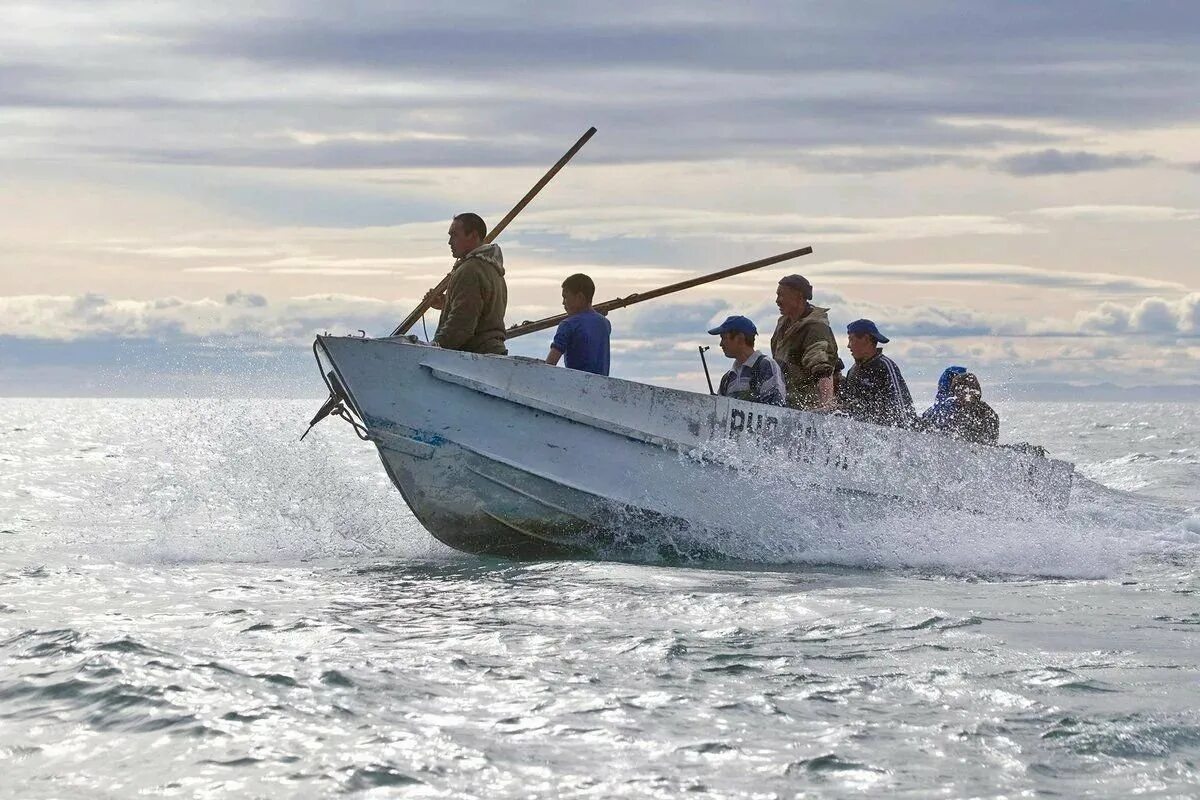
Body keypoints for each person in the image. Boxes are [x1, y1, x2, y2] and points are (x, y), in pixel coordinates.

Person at [430, 213, 508, 355]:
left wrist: (434, 349)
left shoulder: (470, 270)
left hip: (474, 357)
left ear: (472, 235)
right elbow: (481, 311)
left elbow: (462, 324)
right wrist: (446, 303)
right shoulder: (493, 269)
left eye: (454, 235)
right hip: (492, 354)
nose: (450, 242)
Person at [770, 274, 840, 411]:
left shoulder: (815, 329)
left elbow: (823, 370)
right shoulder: (783, 324)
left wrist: (825, 406)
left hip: (806, 409)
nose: (777, 301)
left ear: (799, 297)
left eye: (781, 295)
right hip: (784, 404)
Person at [838, 319, 917, 428]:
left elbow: (903, 405)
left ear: (866, 339)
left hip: (888, 434)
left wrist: (908, 433)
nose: (848, 346)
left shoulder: (885, 366)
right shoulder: (852, 371)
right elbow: (847, 404)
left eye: (851, 340)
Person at [707, 315, 786, 406]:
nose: (721, 344)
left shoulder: (766, 366)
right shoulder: (727, 378)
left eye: (724, 338)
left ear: (740, 338)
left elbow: (775, 409)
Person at [546, 273, 611, 375]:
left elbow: (549, 365)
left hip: (576, 386)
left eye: (565, 297)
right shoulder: (605, 324)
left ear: (580, 297)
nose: (563, 302)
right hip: (601, 387)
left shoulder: (567, 325)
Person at [922, 371, 1000, 445]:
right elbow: (927, 421)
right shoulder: (947, 408)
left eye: (972, 389)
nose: (967, 393)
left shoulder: (987, 413)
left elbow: (991, 441)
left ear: (978, 393)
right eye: (961, 390)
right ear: (955, 393)